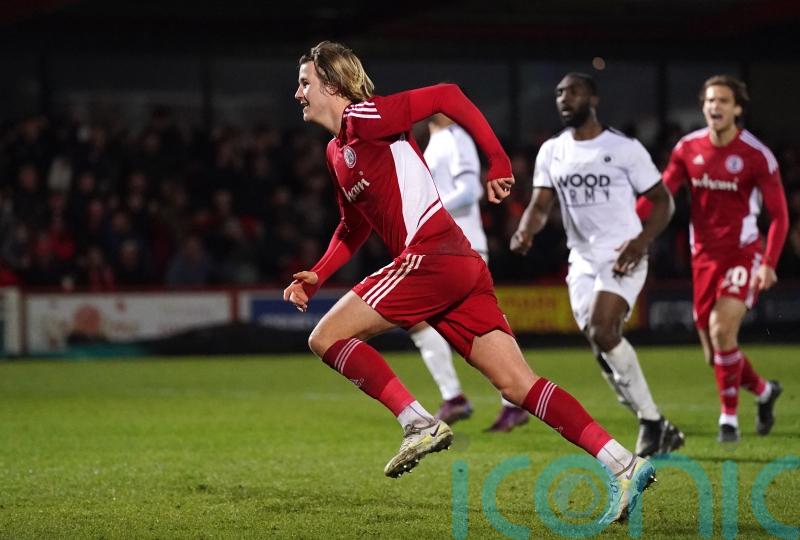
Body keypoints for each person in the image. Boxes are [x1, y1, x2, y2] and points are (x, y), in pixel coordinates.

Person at [284, 41, 654, 524]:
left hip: (432, 256)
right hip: (454, 263)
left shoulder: (367, 118)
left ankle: (417, 421)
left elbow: (447, 95)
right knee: (518, 385)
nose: (298, 93)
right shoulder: (337, 152)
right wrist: (318, 274)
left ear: (331, 85)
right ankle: (624, 464)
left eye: (305, 83)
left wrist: (498, 161)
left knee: (326, 336)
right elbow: (352, 227)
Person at [510, 73, 685, 458]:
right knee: (600, 343)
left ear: (593, 98)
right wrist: (525, 230)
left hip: (623, 252)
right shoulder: (552, 151)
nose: (563, 98)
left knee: (604, 330)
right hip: (582, 259)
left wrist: (641, 242)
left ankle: (653, 424)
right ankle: (656, 422)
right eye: (558, 92)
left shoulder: (624, 148)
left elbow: (663, 202)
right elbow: (540, 205)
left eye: (573, 91)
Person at [638, 74, 788, 443]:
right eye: (709, 101)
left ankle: (729, 421)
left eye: (722, 101)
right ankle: (765, 392)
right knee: (715, 353)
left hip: (743, 252)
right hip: (701, 256)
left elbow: (780, 216)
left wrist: (768, 262)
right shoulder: (687, 149)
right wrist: (627, 220)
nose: (714, 107)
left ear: (737, 108)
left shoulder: (756, 156)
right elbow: (662, 194)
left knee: (723, 331)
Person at [410, 113, 529, 432]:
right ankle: (467, 398)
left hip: (464, 247)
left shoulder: (456, 138)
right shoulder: (435, 142)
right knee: (424, 319)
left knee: (472, 327)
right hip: (446, 247)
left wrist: (429, 212)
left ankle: (495, 398)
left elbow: (469, 191)